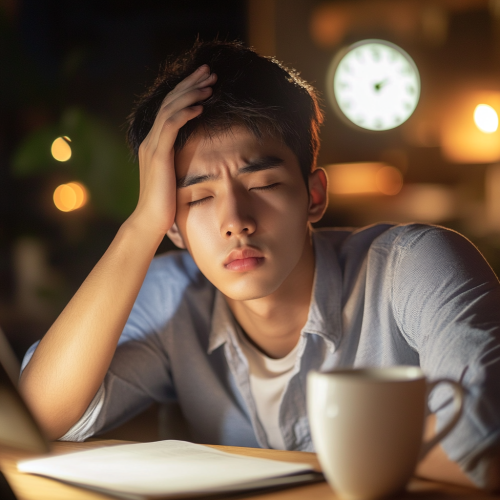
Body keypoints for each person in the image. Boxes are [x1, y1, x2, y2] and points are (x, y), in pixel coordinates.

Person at [19, 40, 500, 490]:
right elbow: (38, 416)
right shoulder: (172, 299)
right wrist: (140, 224)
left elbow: (485, 440)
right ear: (173, 224)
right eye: (200, 197)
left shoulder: (414, 266)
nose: (236, 223)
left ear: (314, 195)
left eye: (264, 185)